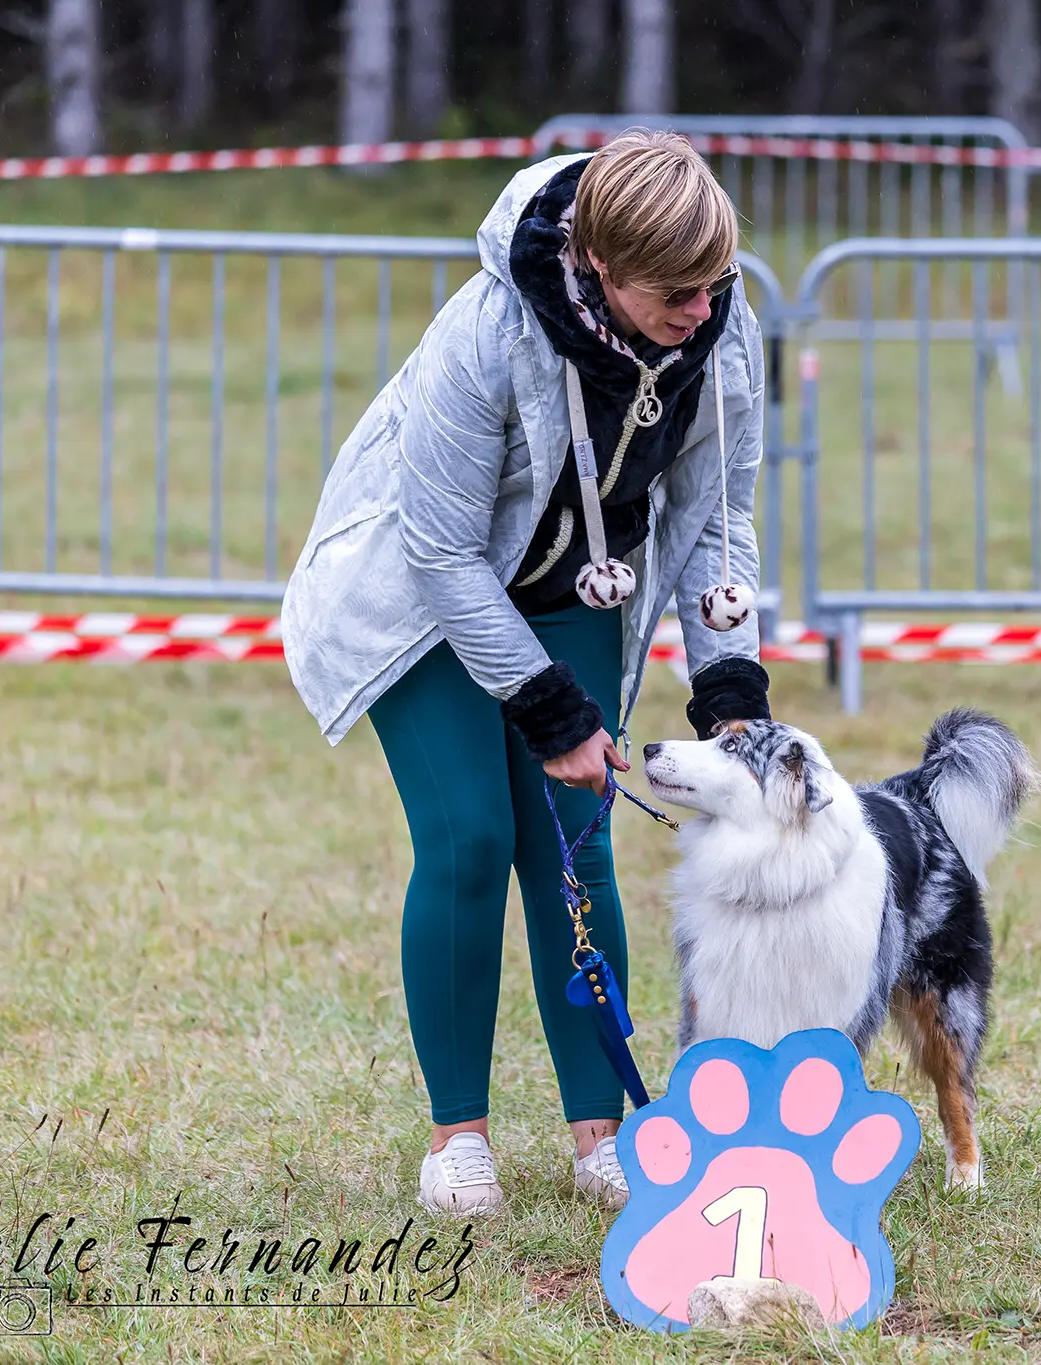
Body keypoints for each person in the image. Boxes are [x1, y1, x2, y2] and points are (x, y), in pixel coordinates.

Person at [283, 130, 773, 1217]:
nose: (702, 310)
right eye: (676, 292)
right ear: (600, 262)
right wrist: (547, 708)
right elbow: (442, 550)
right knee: (471, 838)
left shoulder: (719, 331)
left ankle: (600, 1133)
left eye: (716, 284)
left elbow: (718, 517)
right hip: (421, 598)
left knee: (575, 840)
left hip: (575, 590)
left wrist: (730, 689)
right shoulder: (485, 331)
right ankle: (456, 1138)